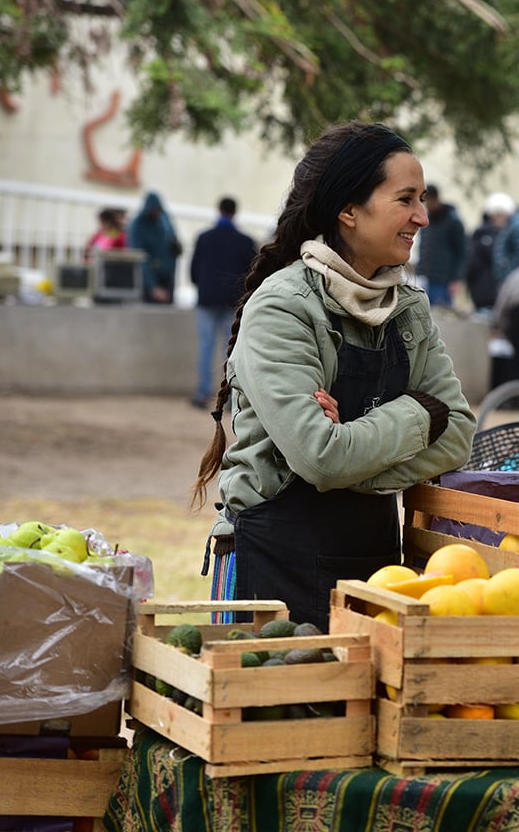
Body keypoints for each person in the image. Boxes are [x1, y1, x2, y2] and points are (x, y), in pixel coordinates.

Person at [191, 121, 476, 630]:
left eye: (423, 199)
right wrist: (415, 414)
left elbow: (457, 431)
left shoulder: (408, 309)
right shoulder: (283, 307)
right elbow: (320, 457)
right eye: (406, 199)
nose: (422, 217)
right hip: (274, 568)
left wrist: (350, 458)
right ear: (348, 210)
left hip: (375, 566)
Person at [188, 197, 258, 409]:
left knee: (206, 347)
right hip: (233, 302)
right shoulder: (245, 241)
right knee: (231, 351)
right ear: (235, 212)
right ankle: (228, 399)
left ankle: (202, 393)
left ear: (218, 210)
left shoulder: (204, 238)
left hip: (207, 299)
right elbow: (253, 272)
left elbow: (193, 271)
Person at [413, 184, 466, 307]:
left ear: (436, 198)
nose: (427, 205)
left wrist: (456, 279)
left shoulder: (453, 221)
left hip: (444, 281)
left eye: (429, 201)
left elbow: (462, 252)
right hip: (424, 279)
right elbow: (423, 247)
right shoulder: (426, 220)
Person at [128, 190, 182, 304]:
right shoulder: (137, 226)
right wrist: (153, 287)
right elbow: (140, 259)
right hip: (150, 282)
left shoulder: (164, 217)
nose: (157, 213)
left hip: (168, 277)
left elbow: (172, 237)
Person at [488, 192, 519, 288]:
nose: (494, 222)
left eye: (495, 217)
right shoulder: (513, 226)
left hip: (516, 282)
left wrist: (507, 270)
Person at [465, 211, 498, 312]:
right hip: (494, 289)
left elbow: (471, 264)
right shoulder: (497, 236)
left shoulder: (476, 237)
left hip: (478, 289)